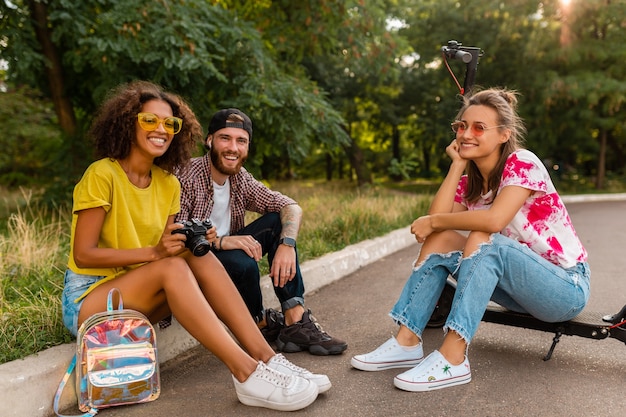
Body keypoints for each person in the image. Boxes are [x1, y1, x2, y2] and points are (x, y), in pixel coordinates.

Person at [61, 81, 332, 412]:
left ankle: (268, 359)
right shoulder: (102, 174)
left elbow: (170, 249)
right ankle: (245, 373)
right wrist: (156, 253)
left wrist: (174, 249)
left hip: (140, 293)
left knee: (190, 252)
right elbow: (83, 254)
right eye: (150, 120)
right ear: (128, 122)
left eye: (169, 124)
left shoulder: (168, 183)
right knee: (174, 262)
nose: (161, 129)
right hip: (91, 300)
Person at [351, 88, 590, 392]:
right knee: (441, 239)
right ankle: (406, 340)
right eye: (461, 126)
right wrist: (457, 164)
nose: (466, 134)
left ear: (504, 134)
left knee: (483, 237)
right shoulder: (473, 182)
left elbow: (492, 221)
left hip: (565, 288)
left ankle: (453, 358)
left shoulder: (523, 163)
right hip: (520, 290)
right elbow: (434, 221)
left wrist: (434, 221)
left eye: (479, 127)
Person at [175, 108, 347, 356]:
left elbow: (290, 205)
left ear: (247, 147)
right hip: (196, 265)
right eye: (225, 138)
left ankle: (294, 320)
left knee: (279, 222)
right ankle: (260, 322)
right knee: (243, 261)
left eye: (241, 141)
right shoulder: (187, 176)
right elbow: (177, 238)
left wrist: (287, 244)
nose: (233, 147)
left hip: (230, 260)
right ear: (209, 140)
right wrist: (223, 242)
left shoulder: (240, 179)